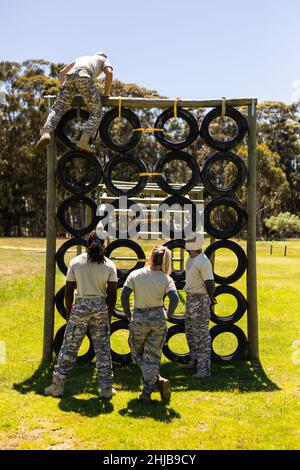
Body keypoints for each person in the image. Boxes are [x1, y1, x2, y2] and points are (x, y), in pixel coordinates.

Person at [45, 230, 118, 399]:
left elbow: (69, 291)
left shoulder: (76, 262)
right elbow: (112, 294)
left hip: (81, 306)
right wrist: (108, 314)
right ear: (103, 246)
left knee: (70, 347)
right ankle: (106, 389)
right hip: (100, 307)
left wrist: (70, 312)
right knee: (102, 348)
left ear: (87, 244)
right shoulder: (109, 265)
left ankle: (58, 386)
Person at [121, 246, 179, 404]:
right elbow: (175, 299)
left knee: (136, 353)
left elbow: (124, 295)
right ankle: (157, 380)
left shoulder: (136, 274)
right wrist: (169, 315)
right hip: (158, 317)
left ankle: (147, 392)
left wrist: (128, 315)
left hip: (139, 316)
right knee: (152, 356)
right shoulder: (166, 279)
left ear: (150, 257)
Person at [36, 52, 113, 154]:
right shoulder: (103, 59)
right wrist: (106, 93)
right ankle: (83, 142)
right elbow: (109, 72)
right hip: (84, 75)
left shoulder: (83, 58)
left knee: (59, 108)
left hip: (70, 76)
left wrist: (64, 88)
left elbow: (62, 72)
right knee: (97, 111)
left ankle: (46, 133)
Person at [184, 232, 216, 378]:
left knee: (201, 335)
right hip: (190, 298)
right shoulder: (190, 259)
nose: (187, 241)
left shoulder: (203, 261)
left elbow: (209, 282)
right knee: (190, 332)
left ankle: (204, 370)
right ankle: (194, 360)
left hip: (200, 299)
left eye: (191, 239)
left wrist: (210, 297)